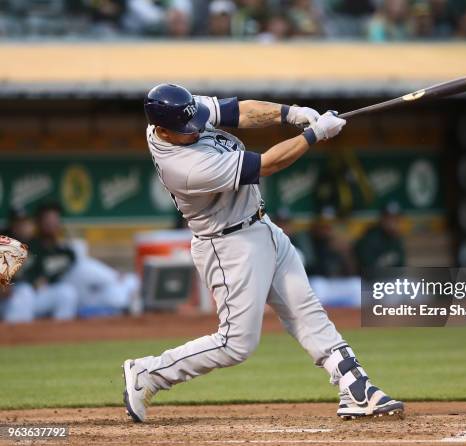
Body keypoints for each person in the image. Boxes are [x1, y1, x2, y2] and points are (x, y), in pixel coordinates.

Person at [122, 84, 404, 423]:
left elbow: (240, 111)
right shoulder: (184, 168)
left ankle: (355, 387)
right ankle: (148, 374)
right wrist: (313, 135)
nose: (196, 129)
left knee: (307, 311)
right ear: (162, 131)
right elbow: (267, 164)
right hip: (228, 246)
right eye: (186, 130)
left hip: (261, 225)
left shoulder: (181, 111)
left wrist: (291, 113)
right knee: (235, 343)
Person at [355, 202, 406, 275]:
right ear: (382, 219)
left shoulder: (396, 239)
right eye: (389, 218)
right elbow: (368, 269)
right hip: (368, 282)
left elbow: (401, 266)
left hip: (390, 280)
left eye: (396, 219)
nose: (393, 223)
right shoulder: (369, 238)